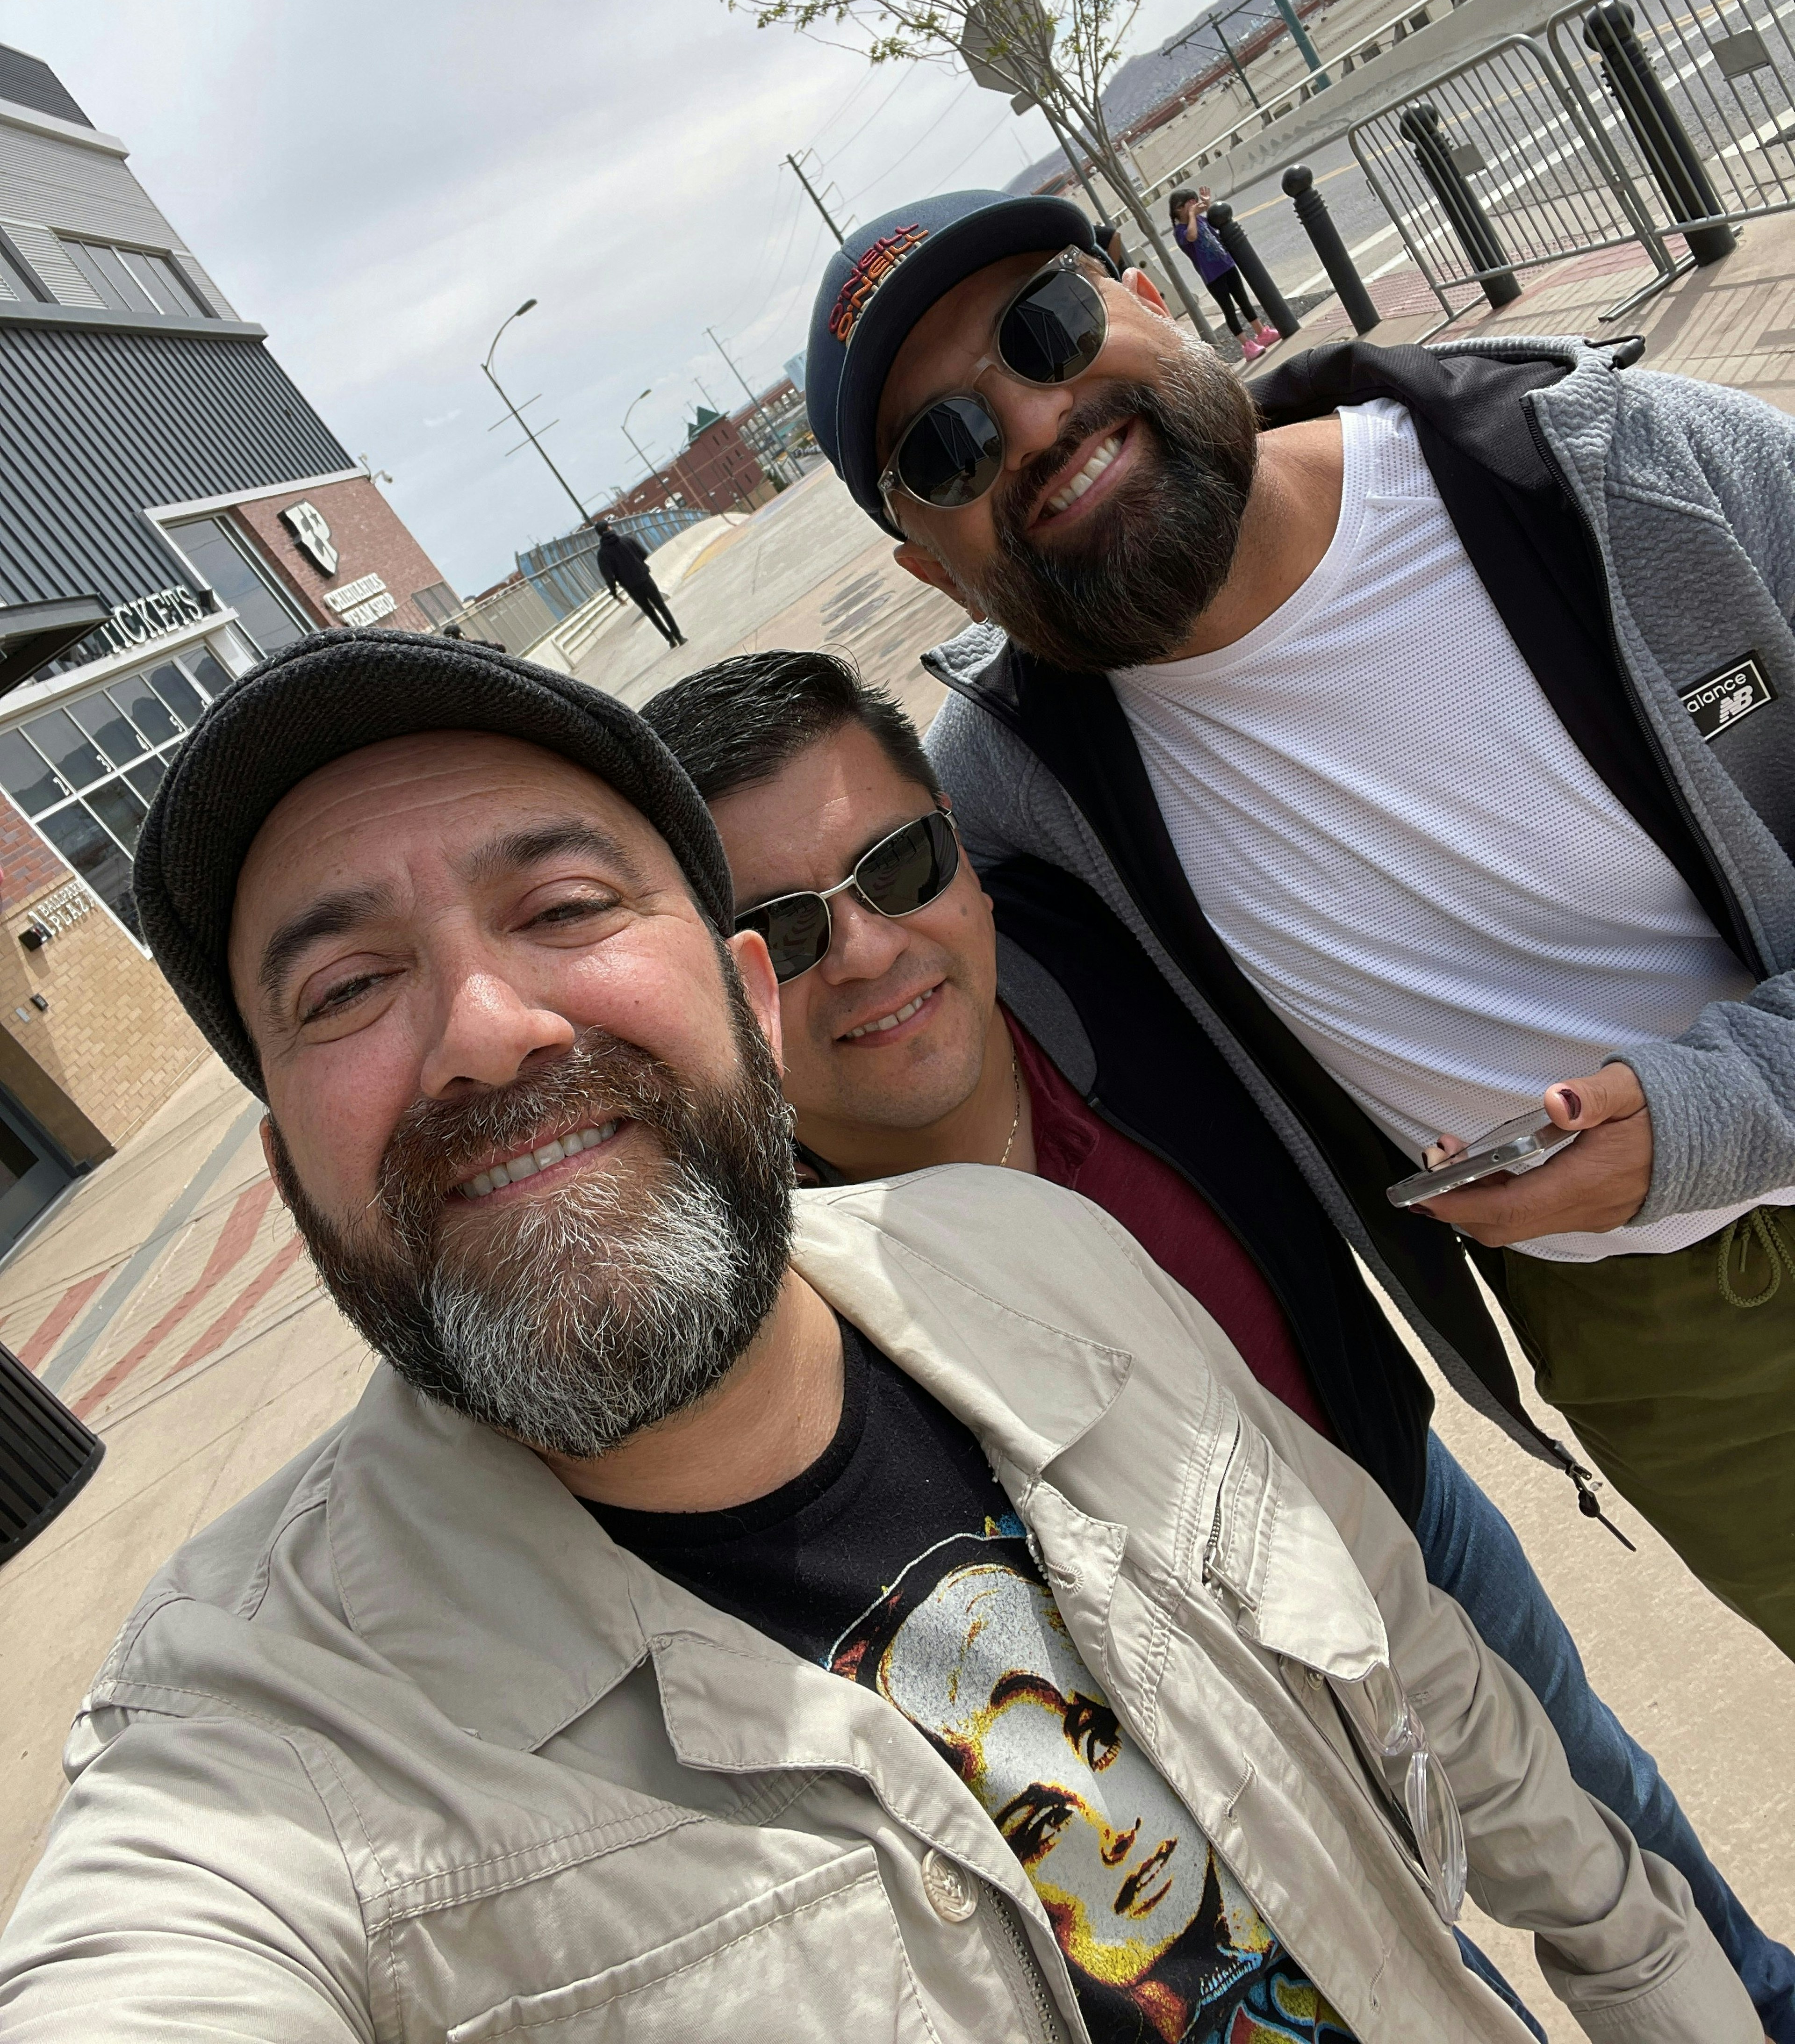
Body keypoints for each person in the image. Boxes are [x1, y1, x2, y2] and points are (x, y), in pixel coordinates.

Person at [0, 627, 1757, 2043]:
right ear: (291, 1175)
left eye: (562, 907)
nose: (482, 1024)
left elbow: (1435, 1680)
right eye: (344, 988)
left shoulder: (1042, 1253)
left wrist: (1664, 1985)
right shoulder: (261, 1746)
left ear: (739, 1007)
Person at [646, 643, 1795, 2039]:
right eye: (782, 931)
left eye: (897, 864)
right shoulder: (775, 1308)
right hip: (1193, 1710)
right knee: (1418, 1979)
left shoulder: (1126, 972)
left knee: (1621, 1838)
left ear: (963, 848)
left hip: (1408, 1513)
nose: (870, 948)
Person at [797, 185, 1795, 1669]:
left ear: (1146, 293)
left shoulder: (1626, 471)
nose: (1034, 418)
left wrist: (1720, 1109)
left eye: (1044, 325)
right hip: (1656, 1343)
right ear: (930, 567)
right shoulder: (1019, 791)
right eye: (943, 448)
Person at [1169, 187, 1278, 356]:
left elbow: (1215, 224)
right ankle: (1247, 346)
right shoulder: (1180, 232)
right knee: (1229, 309)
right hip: (1212, 276)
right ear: (1179, 209)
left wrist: (1207, 204)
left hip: (1227, 265)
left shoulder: (1201, 220)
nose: (1195, 206)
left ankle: (1262, 333)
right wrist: (1191, 215)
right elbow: (1192, 236)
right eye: (1190, 204)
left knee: (1244, 300)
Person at [592, 514, 686, 646]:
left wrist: (615, 594)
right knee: (662, 607)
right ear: (609, 527)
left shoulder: (602, 554)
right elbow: (644, 554)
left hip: (631, 588)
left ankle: (670, 640)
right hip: (645, 579)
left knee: (651, 613)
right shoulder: (627, 540)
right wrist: (638, 564)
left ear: (599, 535)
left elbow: (609, 577)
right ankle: (679, 637)